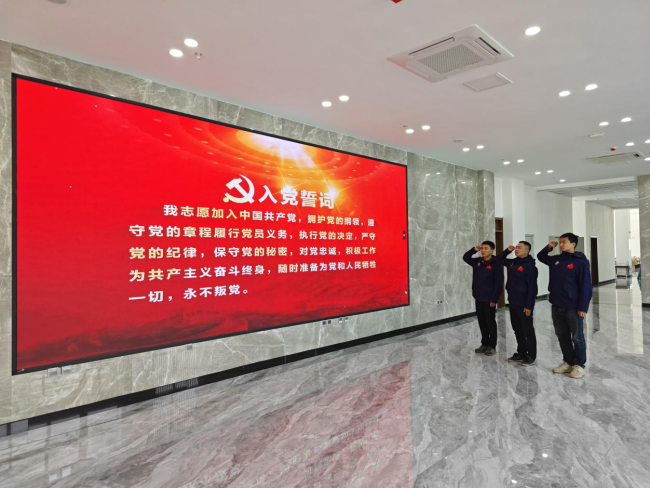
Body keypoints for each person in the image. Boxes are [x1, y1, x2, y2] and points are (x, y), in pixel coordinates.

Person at [537, 233, 593, 379]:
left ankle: (579, 365)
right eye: (560, 242)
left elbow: (586, 286)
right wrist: (549, 247)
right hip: (557, 304)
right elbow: (541, 256)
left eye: (564, 242)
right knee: (562, 335)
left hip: (573, 306)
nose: (561, 244)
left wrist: (583, 307)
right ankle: (568, 362)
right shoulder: (556, 260)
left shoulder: (581, 262)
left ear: (573, 244)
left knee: (577, 337)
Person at [494, 241, 538, 366]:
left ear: (527, 250)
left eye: (519, 247)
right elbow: (498, 259)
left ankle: (531, 356)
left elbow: (532, 288)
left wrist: (529, 305)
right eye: (516, 247)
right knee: (517, 329)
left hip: (524, 304)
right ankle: (521, 353)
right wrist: (507, 250)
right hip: (513, 302)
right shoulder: (513, 262)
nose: (516, 249)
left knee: (527, 330)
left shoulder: (530, 266)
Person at [463, 241, 504, 356]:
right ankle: (484, 343)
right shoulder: (477, 262)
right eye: (482, 248)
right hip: (478, 296)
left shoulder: (497, 264)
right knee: (481, 321)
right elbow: (466, 257)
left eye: (486, 248)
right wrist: (473, 250)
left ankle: (492, 345)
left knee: (490, 322)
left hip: (489, 299)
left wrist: (494, 299)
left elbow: (499, 284)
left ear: (492, 250)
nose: (483, 250)